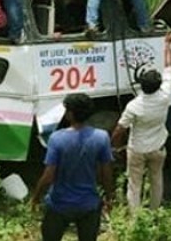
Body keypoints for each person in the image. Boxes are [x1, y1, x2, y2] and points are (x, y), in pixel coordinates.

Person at [31, 93, 114, 241]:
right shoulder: (101, 137)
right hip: (89, 204)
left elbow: (48, 176)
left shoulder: (57, 138)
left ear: (69, 114)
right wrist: (109, 197)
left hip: (59, 204)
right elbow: (106, 173)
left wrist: (36, 196)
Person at [110, 32, 171, 212]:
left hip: (137, 149)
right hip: (158, 147)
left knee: (134, 184)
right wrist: (167, 45)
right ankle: (154, 211)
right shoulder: (165, 95)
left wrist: (113, 146)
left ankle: (136, 219)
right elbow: (169, 67)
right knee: (157, 180)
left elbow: (120, 129)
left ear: (141, 85)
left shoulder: (134, 106)